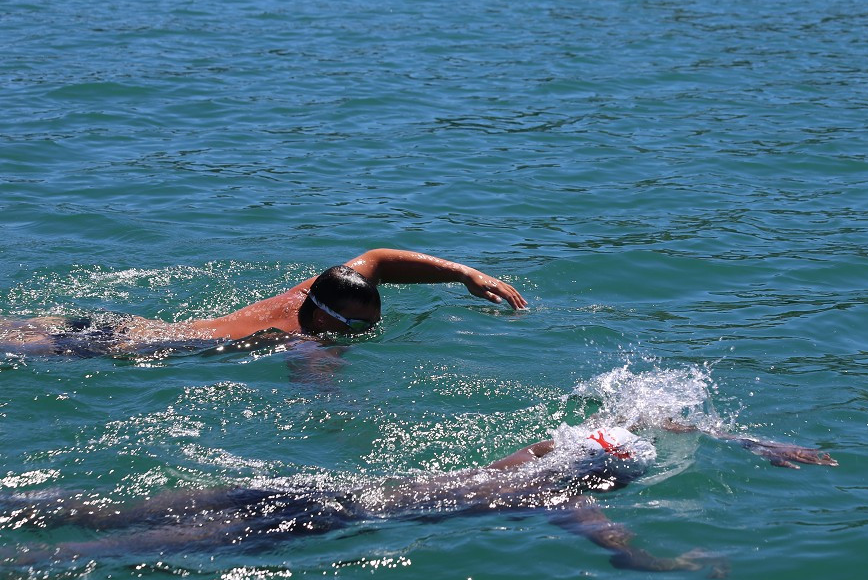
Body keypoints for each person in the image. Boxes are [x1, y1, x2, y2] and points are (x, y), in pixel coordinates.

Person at [0, 421, 836, 573]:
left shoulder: (534, 454)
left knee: (113, 509)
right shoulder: (554, 496)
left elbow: (641, 415)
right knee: (124, 549)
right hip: (331, 517)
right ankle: (35, 563)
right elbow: (614, 545)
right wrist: (671, 561)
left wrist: (750, 440)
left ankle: (31, 513)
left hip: (323, 488)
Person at [0, 249, 527, 357]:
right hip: (133, 348)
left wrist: (468, 275)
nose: (356, 334)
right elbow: (314, 379)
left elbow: (379, 258)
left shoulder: (309, 292)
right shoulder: (302, 337)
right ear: (322, 315)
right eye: (351, 327)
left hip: (121, 324)